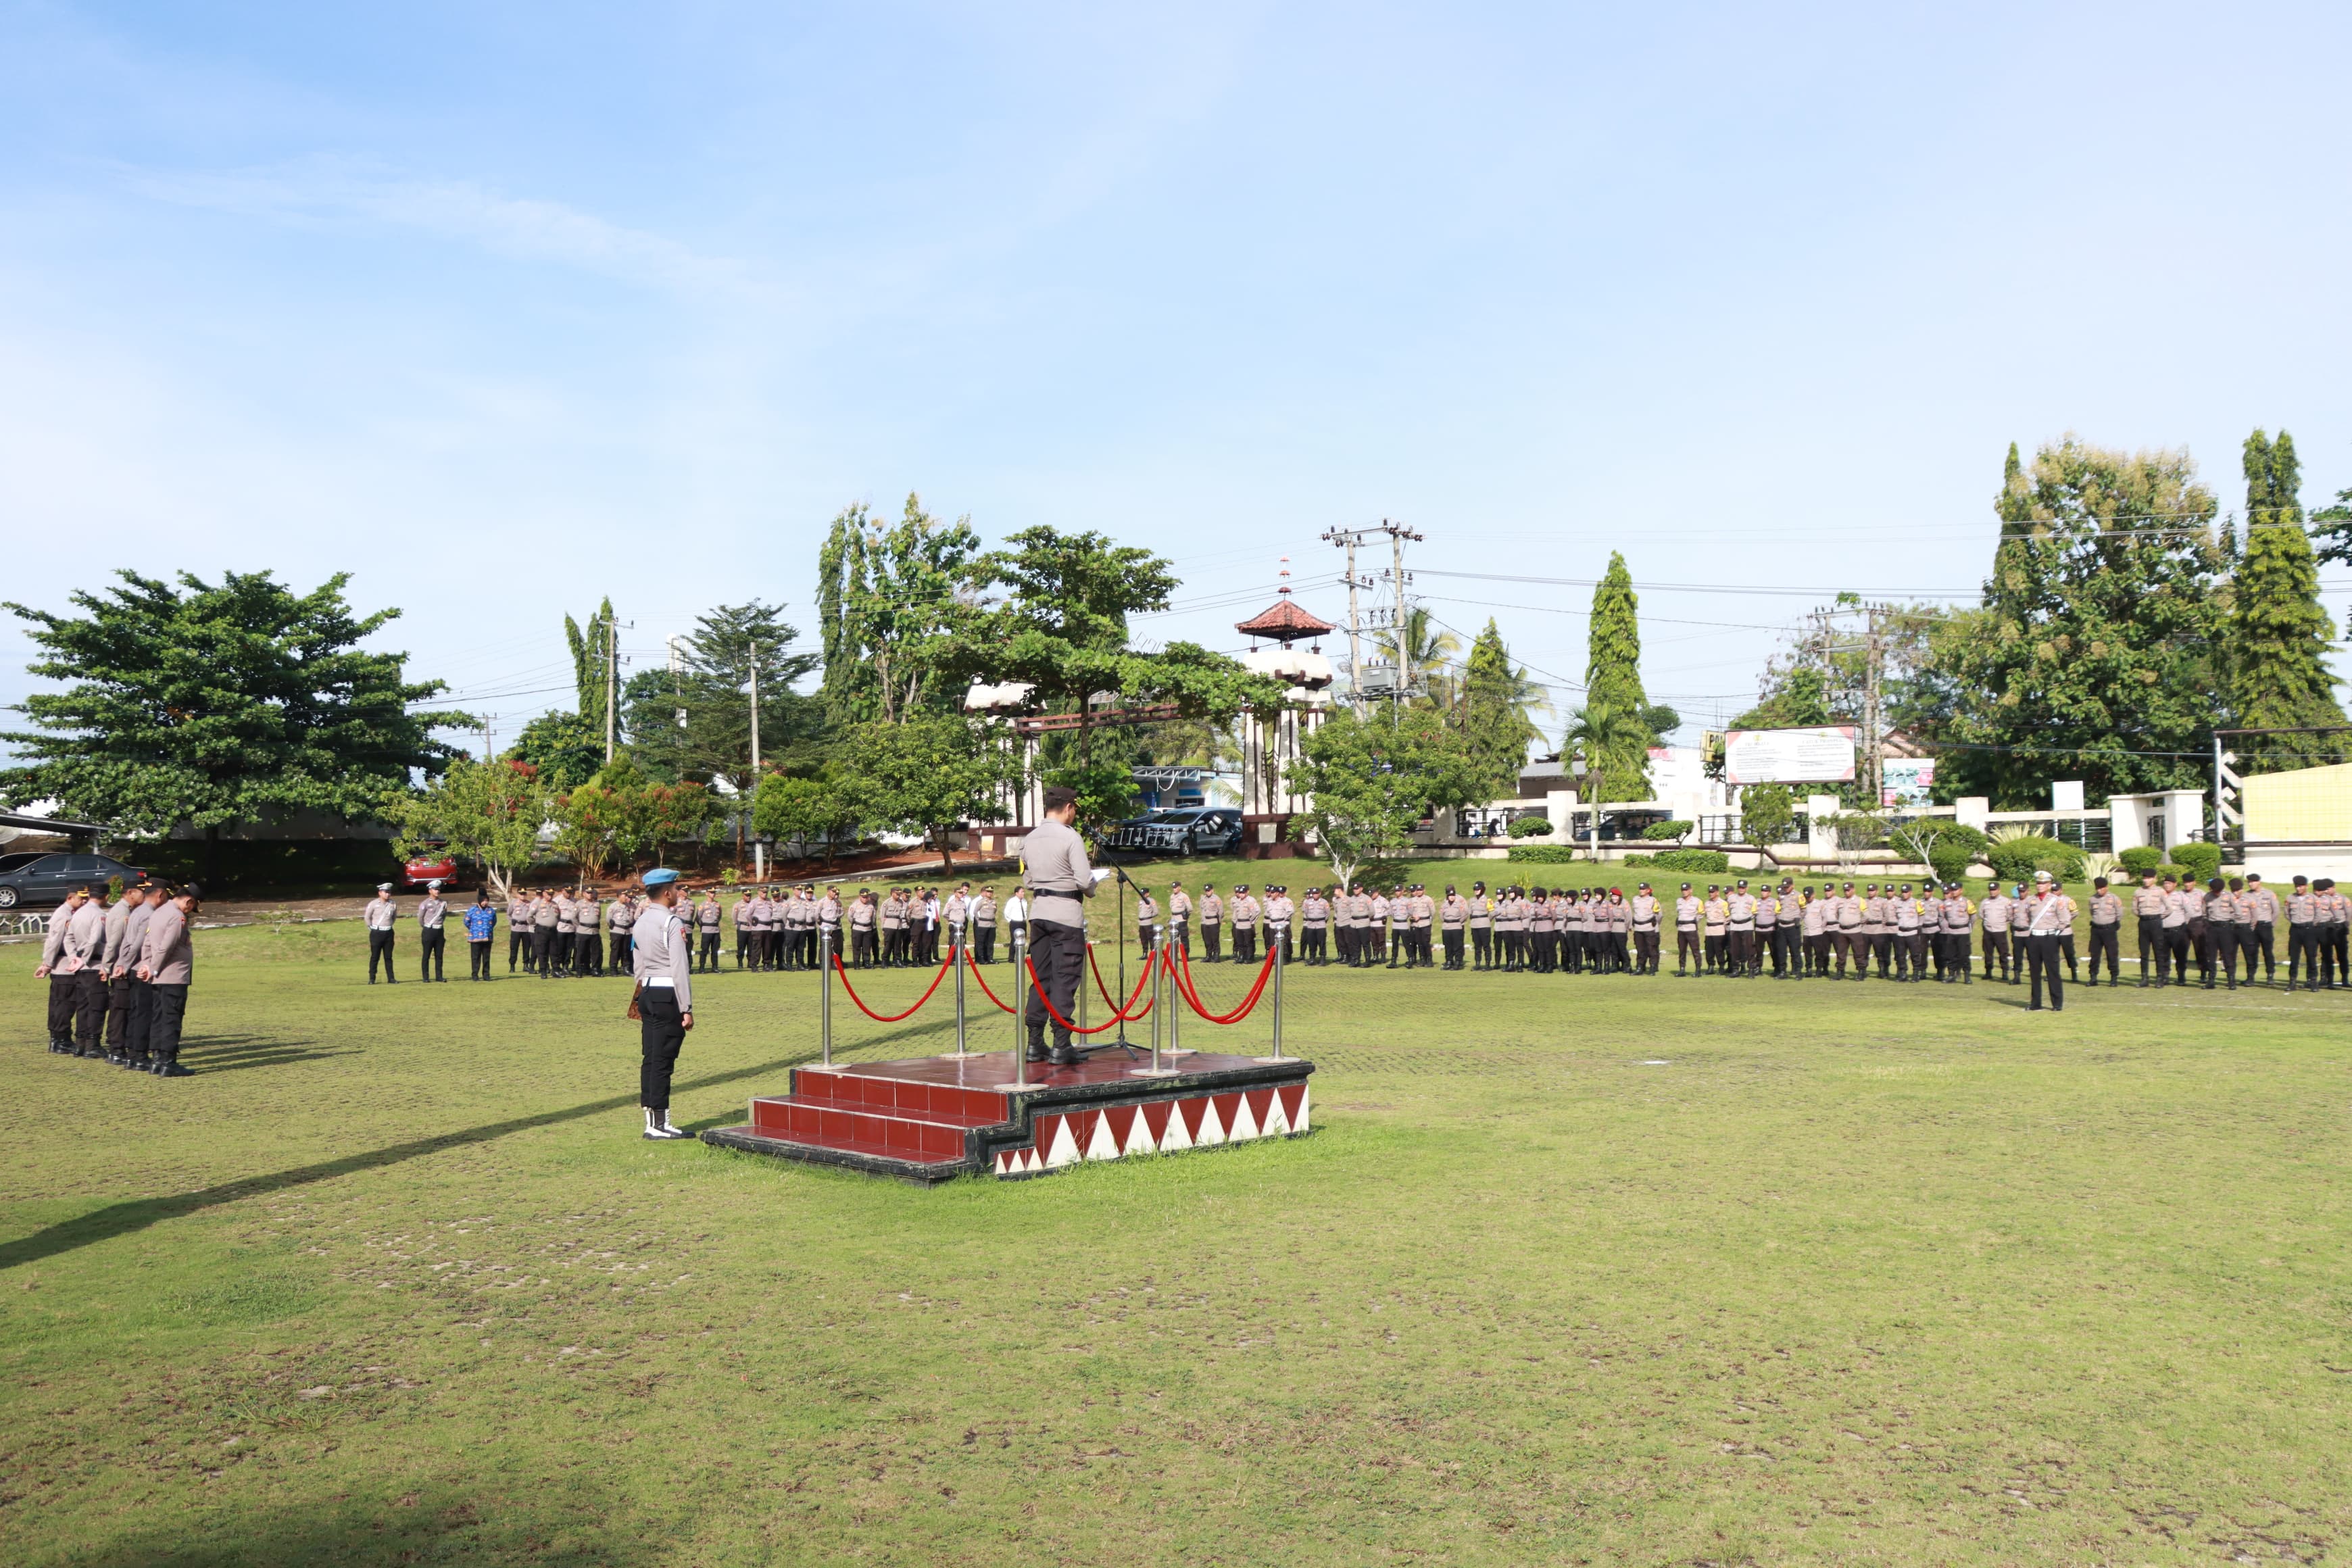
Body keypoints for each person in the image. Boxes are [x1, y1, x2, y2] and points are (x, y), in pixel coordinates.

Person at [1019, 785, 1108, 1068]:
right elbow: (1084, 880)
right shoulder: (1070, 837)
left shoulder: (1029, 839)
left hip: (1039, 912)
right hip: (1066, 914)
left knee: (1041, 977)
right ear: (1069, 808)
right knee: (1064, 977)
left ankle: (1035, 1042)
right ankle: (1061, 1044)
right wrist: (1093, 886)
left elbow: (1028, 881)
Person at [629, 867, 695, 1140]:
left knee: (651, 1058)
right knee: (663, 1061)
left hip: (648, 992)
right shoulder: (672, 923)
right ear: (667, 893)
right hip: (668, 995)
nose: (679, 893)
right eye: (676, 888)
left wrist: (641, 996)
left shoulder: (641, 922)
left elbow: (638, 964)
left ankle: (652, 1122)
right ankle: (660, 1124)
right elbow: (680, 967)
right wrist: (687, 1008)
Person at [137, 883, 200, 1076]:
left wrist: (146, 964)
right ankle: (168, 1061)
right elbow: (166, 946)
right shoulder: (177, 916)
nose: (190, 912)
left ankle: (157, 1059)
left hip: (159, 977)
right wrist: (154, 969)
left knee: (158, 1017)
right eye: (192, 907)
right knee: (171, 1018)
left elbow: (147, 943)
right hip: (172, 976)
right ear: (189, 901)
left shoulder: (158, 912)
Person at [108, 883, 160, 1066]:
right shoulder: (147, 913)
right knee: (142, 1013)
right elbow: (137, 944)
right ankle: (138, 1054)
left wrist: (123, 963)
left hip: (131, 967)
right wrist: (123, 964)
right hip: (140, 969)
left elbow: (126, 943)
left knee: (134, 1012)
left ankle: (132, 1053)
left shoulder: (137, 911)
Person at [2024, 870, 2067, 1012]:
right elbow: (2026, 918)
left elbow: (2064, 920)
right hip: (2034, 937)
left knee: (2052, 971)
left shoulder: (2056, 901)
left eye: (2043, 883)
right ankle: (2036, 1002)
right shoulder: (2031, 900)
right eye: (2038, 883)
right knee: (2035, 972)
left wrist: (2055, 933)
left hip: (2049, 938)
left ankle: (2057, 1003)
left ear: (2049, 885)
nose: (2040, 885)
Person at [2243, 873, 2279, 985]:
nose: (2251, 884)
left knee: (2268, 952)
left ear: (2259, 882)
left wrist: (2270, 924)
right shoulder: (2246, 895)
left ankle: (2270, 975)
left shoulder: (2269, 894)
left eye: (2253, 882)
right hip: (2252, 927)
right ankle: (2251, 976)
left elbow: (2276, 911)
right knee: (2251, 952)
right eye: (2249, 882)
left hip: (2266, 925)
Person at [2286, 875, 2320, 990]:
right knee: (2294, 957)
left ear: (2306, 886)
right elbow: (2287, 913)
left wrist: (2311, 925)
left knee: (2311, 956)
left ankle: (2313, 981)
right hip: (2295, 929)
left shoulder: (2313, 898)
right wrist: (2295, 922)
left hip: (2309, 929)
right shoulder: (2290, 898)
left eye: (2301, 886)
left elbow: (2318, 914)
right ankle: (2292, 982)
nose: (2298, 889)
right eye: (2297, 886)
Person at [2085, 877, 2121, 986]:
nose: (2099, 891)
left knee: (2112, 954)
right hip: (2096, 930)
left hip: (2109, 929)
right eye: (2097, 888)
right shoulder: (2093, 899)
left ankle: (2114, 977)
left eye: (2101, 888)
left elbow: (2119, 913)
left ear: (2106, 887)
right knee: (2094, 954)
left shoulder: (2114, 898)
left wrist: (2115, 924)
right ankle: (2093, 977)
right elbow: (2092, 912)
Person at [364, 883, 400, 983]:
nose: (388, 894)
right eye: (386, 892)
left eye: (389, 892)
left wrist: (388, 926)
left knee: (388, 957)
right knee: (375, 957)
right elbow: (367, 917)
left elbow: (394, 917)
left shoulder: (393, 904)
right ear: (380, 893)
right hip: (377, 932)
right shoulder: (374, 904)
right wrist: (372, 928)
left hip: (388, 932)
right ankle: (372, 978)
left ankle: (391, 978)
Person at [416, 880, 449, 982]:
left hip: (439, 930)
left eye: (438, 889)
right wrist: (427, 927)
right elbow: (420, 918)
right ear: (430, 890)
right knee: (426, 954)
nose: (437, 891)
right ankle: (426, 977)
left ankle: (439, 976)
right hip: (429, 930)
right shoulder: (425, 903)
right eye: (435, 889)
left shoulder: (443, 903)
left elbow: (443, 916)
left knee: (439, 955)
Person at [465, 889, 498, 980]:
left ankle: (486, 975)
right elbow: (466, 921)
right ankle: (475, 975)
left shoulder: (491, 911)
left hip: (487, 937)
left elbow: (494, 922)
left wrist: (487, 929)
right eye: (483, 901)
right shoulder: (472, 910)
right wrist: (473, 929)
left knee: (486, 958)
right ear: (479, 901)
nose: (485, 902)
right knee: (475, 957)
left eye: (487, 901)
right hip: (475, 938)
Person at [609, 889, 636, 975]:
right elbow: (608, 919)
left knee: (626, 951)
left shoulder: (629, 906)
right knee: (615, 951)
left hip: (627, 931)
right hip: (617, 931)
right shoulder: (613, 906)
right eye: (625, 896)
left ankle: (626, 968)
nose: (627, 897)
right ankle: (613, 969)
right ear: (619, 896)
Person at [506, 888, 531, 973]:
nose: (523, 895)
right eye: (521, 894)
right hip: (516, 929)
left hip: (526, 929)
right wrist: (511, 922)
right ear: (518, 894)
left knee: (527, 948)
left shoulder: (529, 904)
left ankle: (526, 965)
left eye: (524, 894)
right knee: (514, 948)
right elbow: (509, 914)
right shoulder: (513, 903)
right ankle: (512, 966)